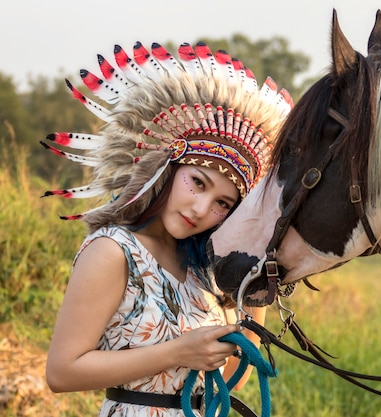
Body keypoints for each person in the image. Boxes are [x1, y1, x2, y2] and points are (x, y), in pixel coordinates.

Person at [43, 41, 293, 416]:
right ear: (168, 169)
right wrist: (178, 352)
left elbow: (230, 381)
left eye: (223, 204)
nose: (201, 209)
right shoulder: (113, 251)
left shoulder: (206, 271)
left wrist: (252, 298)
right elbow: (61, 372)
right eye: (198, 182)